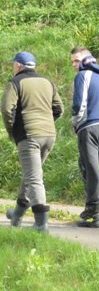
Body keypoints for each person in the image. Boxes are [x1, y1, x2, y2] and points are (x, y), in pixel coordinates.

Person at [3, 52, 63, 233]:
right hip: (49, 135)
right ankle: (17, 214)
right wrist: (47, 122)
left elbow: (6, 109)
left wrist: (12, 131)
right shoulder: (47, 82)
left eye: (13, 64)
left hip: (29, 135)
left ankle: (41, 224)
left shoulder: (15, 83)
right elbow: (59, 108)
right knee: (31, 174)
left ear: (18, 66)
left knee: (34, 178)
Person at [69, 47, 99, 228]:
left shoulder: (83, 76)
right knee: (89, 166)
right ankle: (92, 209)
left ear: (86, 60)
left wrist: (77, 124)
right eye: (72, 61)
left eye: (76, 61)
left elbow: (79, 104)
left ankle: (93, 211)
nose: (74, 65)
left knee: (90, 169)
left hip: (89, 127)